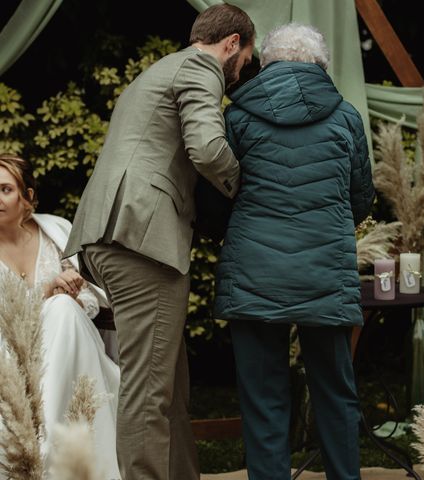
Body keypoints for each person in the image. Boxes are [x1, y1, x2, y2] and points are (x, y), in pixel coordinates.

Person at [63, 4, 255, 480]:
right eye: (245, 62)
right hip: (140, 239)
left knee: (168, 384)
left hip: (117, 233)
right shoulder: (201, 67)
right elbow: (208, 148)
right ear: (231, 44)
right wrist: (246, 191)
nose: (239, 76)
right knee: (150, 389)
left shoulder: (161, 69)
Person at [213, 22, 374, 480]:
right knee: (336, 394)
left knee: (263, 399)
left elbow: (218, 192)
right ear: (320, 65)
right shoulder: (345, 117)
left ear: (267, 63)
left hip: (255, 273)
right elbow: (361, 198)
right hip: (324, 271)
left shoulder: (238, 116)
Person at [0, 154, 119, 478]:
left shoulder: (57, 231)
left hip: (73, 339)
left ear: (27, 197)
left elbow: (93, 299)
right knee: (58, 308)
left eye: (5, 189)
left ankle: (44, 449)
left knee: (64, 309)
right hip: (10, 354)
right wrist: (44, 295)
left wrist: (71, 292)